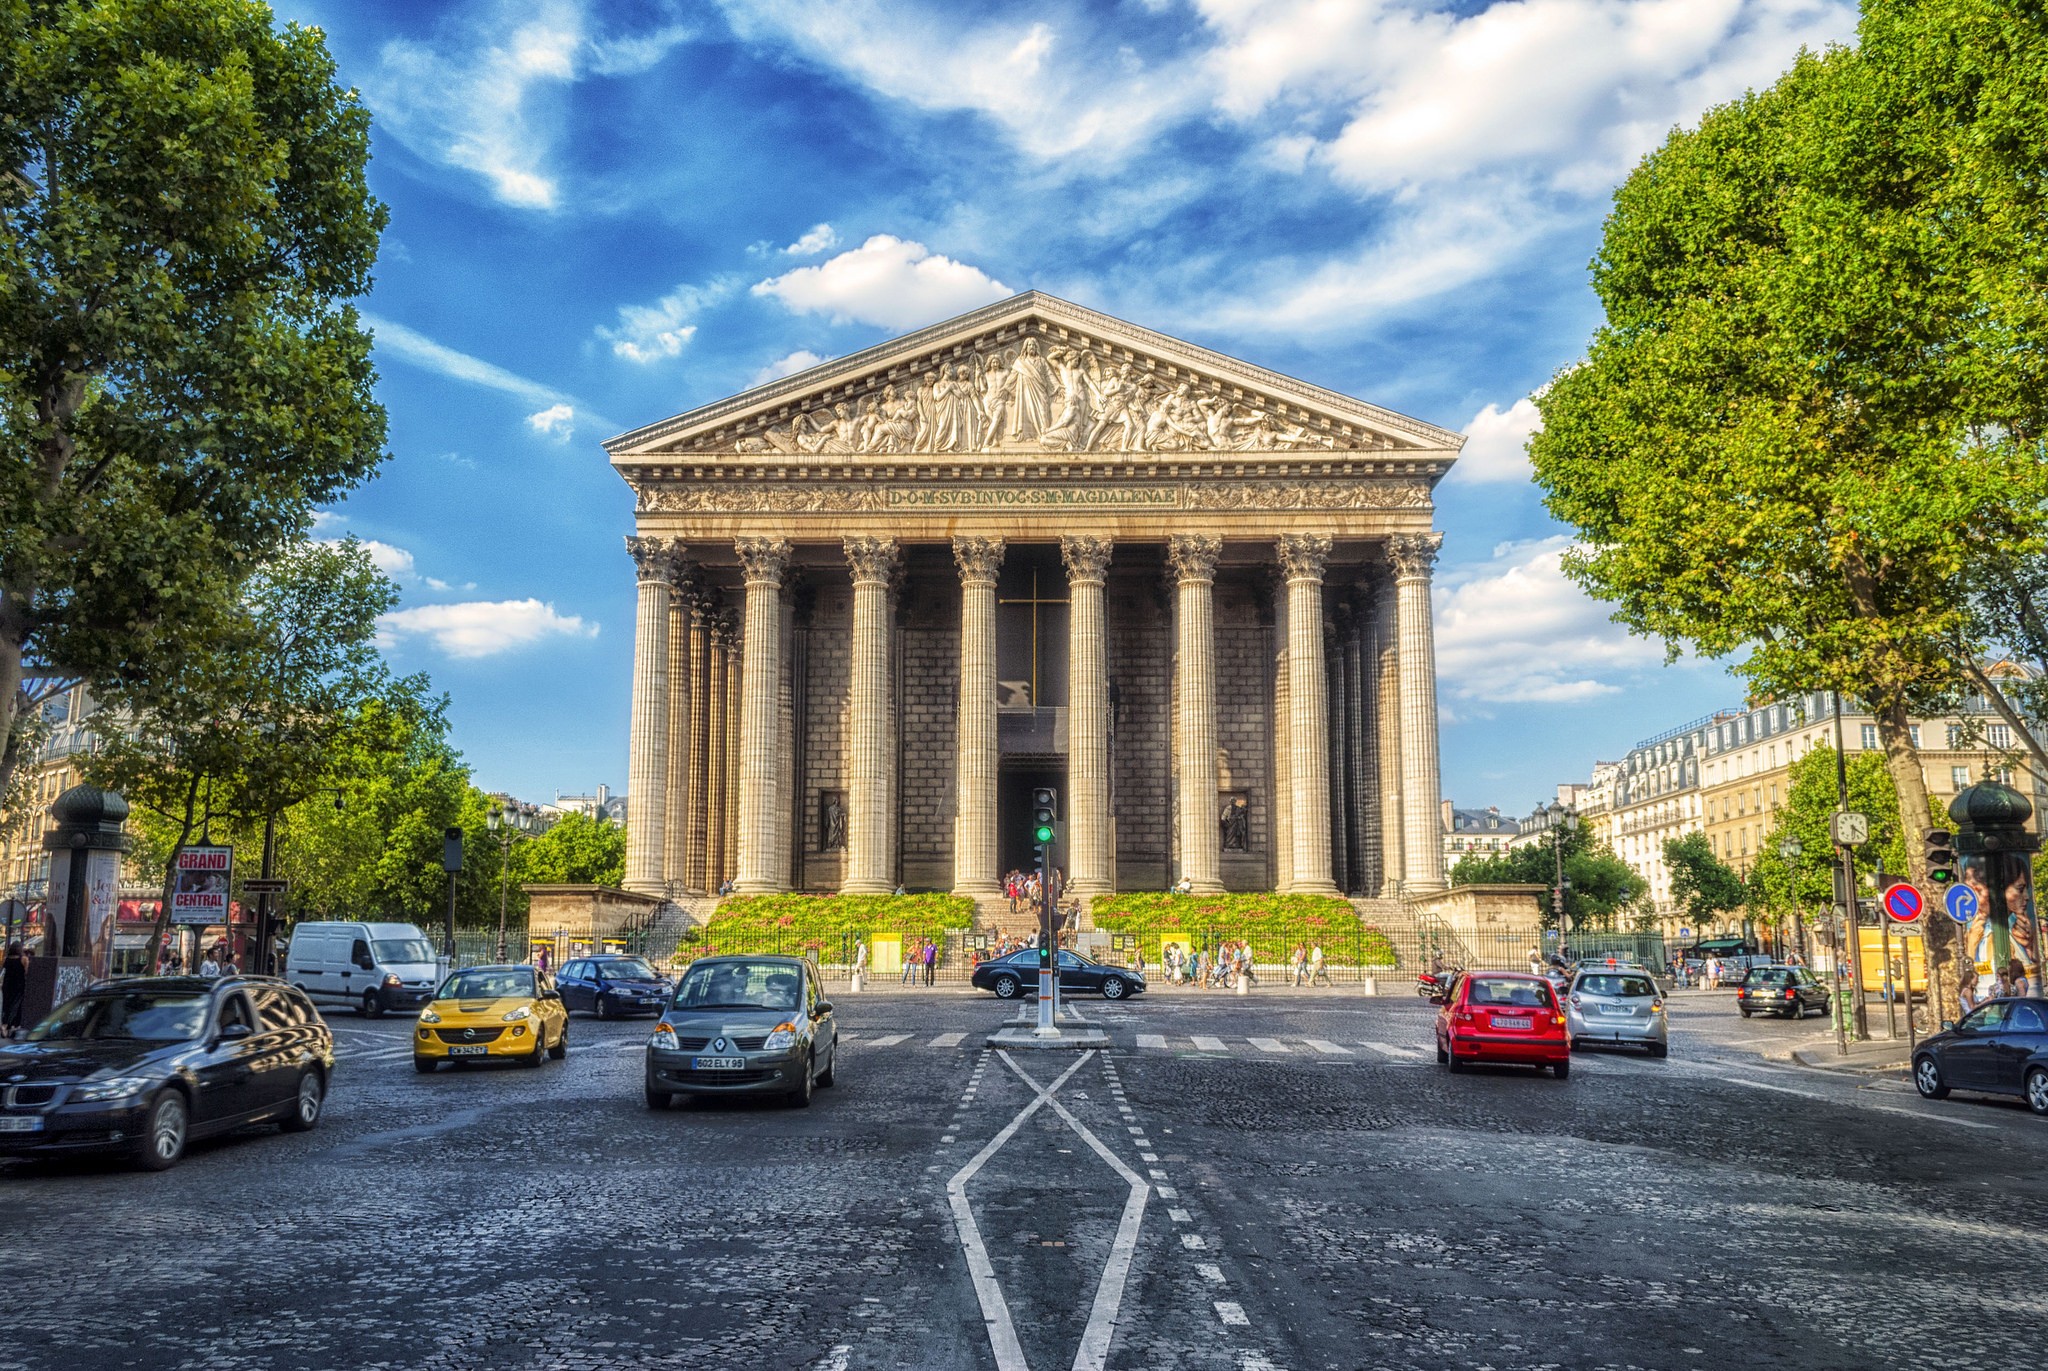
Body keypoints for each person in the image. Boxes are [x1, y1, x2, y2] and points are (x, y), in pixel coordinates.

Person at [2, 941, 27, 1039]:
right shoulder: (23, 959)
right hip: (19, 985)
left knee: (7, 1005)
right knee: (17, 1005)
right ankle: (14, 1025)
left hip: (7, 985)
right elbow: (26, 972)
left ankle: (5, 1025)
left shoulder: (6, 959)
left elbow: (4, 971)